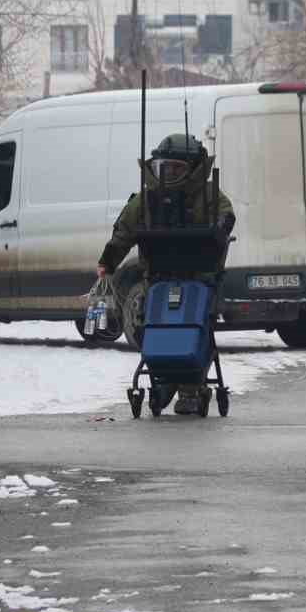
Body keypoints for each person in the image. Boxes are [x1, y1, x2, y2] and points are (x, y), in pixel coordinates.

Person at [96, 133, 235, 415]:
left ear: (194, 168)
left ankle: (191, 388)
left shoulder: (210, 196)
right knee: (146, 323)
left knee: (195, 324)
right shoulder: (146, 199)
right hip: (158, 276)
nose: (168, 174)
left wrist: (221, 226)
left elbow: (227, 215)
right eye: (163, 168)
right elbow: (123, 232)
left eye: (176, 169)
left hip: (200, 277)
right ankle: (163, 379)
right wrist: (108, 262)